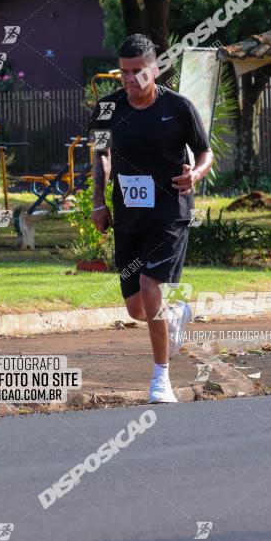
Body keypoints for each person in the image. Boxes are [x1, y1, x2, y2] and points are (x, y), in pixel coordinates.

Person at [88, 34, 214, 403]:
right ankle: (173, 316)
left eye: (138, 72)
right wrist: (99, 202)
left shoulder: (178, 107)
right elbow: (101, 157)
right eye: (124, 73)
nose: (130, 80)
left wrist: (196, 175)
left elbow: (204, 152)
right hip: (129, 212)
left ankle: (161, 379)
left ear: (155, 69)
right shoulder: (106, 109)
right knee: (136, 308)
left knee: (149, 285)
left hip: (169, 210)